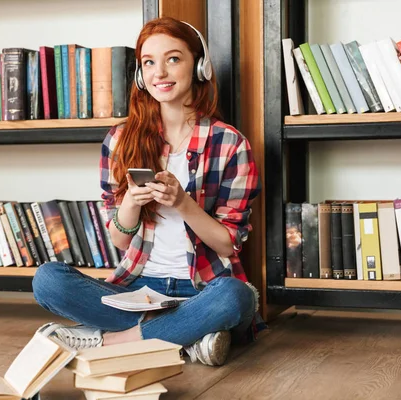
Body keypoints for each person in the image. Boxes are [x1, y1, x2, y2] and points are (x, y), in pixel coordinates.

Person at [32, 16, 262, 366]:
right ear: (140, 74)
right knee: (47, 280)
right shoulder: (120, 140)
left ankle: (114, 343)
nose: (160, 73)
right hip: (138, 289)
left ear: (199, 67)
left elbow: (228, 244)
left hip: (202, 289)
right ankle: (187, 339)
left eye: (173, 59)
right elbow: (120, 241)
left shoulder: (230, 144)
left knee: (236, 298)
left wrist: (184, 203)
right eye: (149, 62)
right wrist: (129, 205)